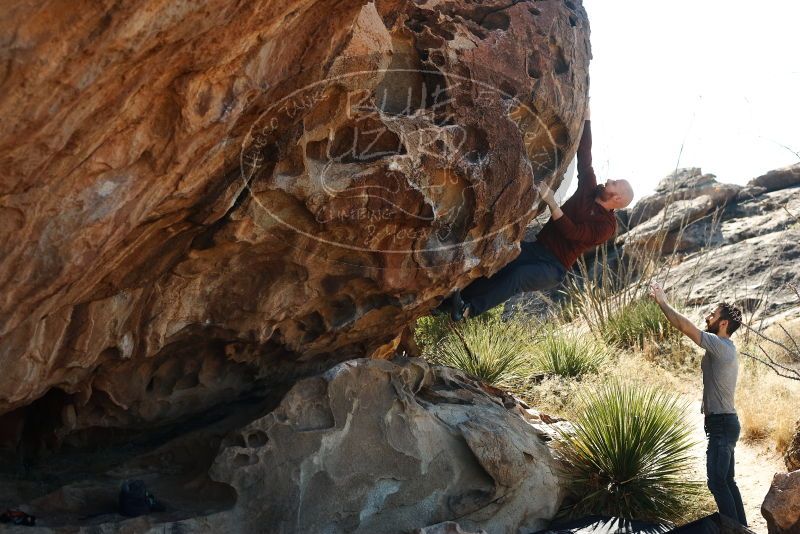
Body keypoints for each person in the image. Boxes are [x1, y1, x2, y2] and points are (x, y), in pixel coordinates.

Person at [438, 105, 634, 321]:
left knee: (517, 277)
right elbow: (585, 155)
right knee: (500, 266)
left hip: (553, 267)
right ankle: (449, 303)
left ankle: (468, 311)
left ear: (618, 199)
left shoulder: (607, 227)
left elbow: (575, 233)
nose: (609, 180)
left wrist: (551, 202)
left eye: (615, 183)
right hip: (538, 247)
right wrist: (587, 119)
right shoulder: (591, 188)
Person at [649, 282, 747, 527]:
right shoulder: (726, 347)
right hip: (725, 422)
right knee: (727, 481)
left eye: (713, 314)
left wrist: (663, 302)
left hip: (722, 425)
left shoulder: (719, 344)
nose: (708, 316)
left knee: (717, 482)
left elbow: (685, 327)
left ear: (723, 323)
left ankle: (735, 531)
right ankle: (742, 527)